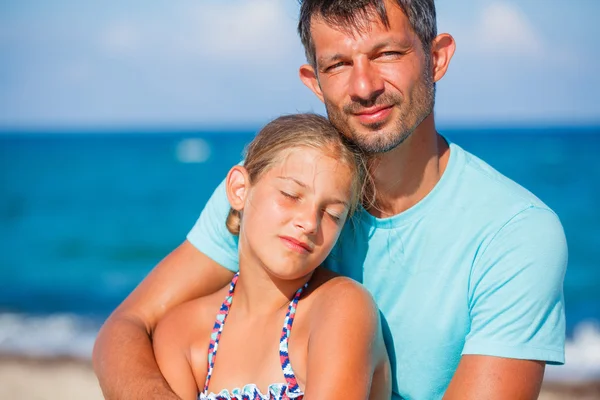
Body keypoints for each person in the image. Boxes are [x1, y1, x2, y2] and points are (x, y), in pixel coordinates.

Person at [93, 1, 568, 399]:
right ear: (313, 80)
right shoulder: (272, 196)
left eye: (386, 53)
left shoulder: (516, 233)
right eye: (338, 64)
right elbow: (125, 329)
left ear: (438, 57)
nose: (364, 86)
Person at [151, 113, 390, 400]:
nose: (309, 222)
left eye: (332, 214)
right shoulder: (182, 334)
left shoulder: (340, 309)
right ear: (240, 189)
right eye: (291, 194)